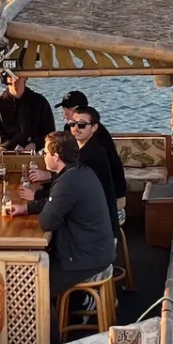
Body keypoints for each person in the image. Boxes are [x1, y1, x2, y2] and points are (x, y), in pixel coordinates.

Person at [9, 130, 115, 303]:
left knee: (32, 287)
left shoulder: (67, 182)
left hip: (85, 259)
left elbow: (47, 222)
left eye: (45, 152)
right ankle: (79, 302)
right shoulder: (81, 171)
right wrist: (26, 208)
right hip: (98, 250)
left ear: (56, 157)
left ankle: (51, 329)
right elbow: (57, 204)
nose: (43, 156)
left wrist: (45, 208)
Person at [57, 91, 126, 204]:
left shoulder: (97, 138)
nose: (65, 114)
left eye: (69, 109)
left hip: (109, 194)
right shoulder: (71, 128)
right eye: (63, 109)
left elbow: (79, 169)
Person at [70, 106, 121, 240]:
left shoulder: (92, 155)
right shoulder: (82, 149)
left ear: (94, 128)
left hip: (99, 231)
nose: (75, 128)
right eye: (72, 124)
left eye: (81, 125)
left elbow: (69, 187)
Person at [0, 74, 55, 152]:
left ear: (25, 78)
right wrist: (15, 147)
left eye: (18, 77)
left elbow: (49, 131)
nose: (15, 81)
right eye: (11, 77)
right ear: (6, 80)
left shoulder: (40, 102)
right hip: (7, 152)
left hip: (36, 151)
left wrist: (35, 144)